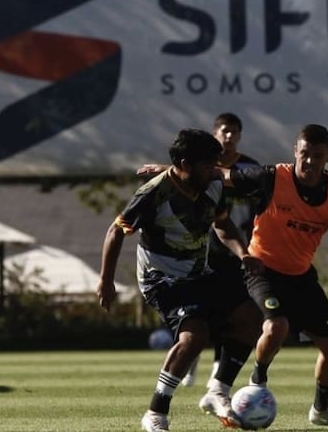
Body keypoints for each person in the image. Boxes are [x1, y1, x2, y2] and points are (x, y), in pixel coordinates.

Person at [219, 123, 328, 427]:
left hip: (301, 277)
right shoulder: (272, 177)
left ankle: (321, 411)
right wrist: (170, 171)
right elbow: (222, 175)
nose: (310, 161)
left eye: (318, 156)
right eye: (305, 154)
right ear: (295, 151)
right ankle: (257, 381)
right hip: (262, 269)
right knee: (276, 326)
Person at [97, 129, 262, 432]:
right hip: (160, 278)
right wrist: (106, 282)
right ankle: (155, 413)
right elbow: (116, 231)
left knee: (250, 319)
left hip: (198, 273)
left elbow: (222, 224)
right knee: (194, 337)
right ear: (185, 163)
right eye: (208, 163)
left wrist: (244, 254)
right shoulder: (153, 193)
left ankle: (217, 391)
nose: (215, 169)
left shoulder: (212, 184)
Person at [182, 112, 261, 388]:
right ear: (215, 134)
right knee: (197, 312)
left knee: (234, 313)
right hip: (203, 251)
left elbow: (260, 207)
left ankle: (219, 370)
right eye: (225, 131)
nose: (229, 137)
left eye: (234, 132)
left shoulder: (250, 168)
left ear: (239, 136)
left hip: (239, 251)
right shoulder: (203, 168)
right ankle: (190, 363)